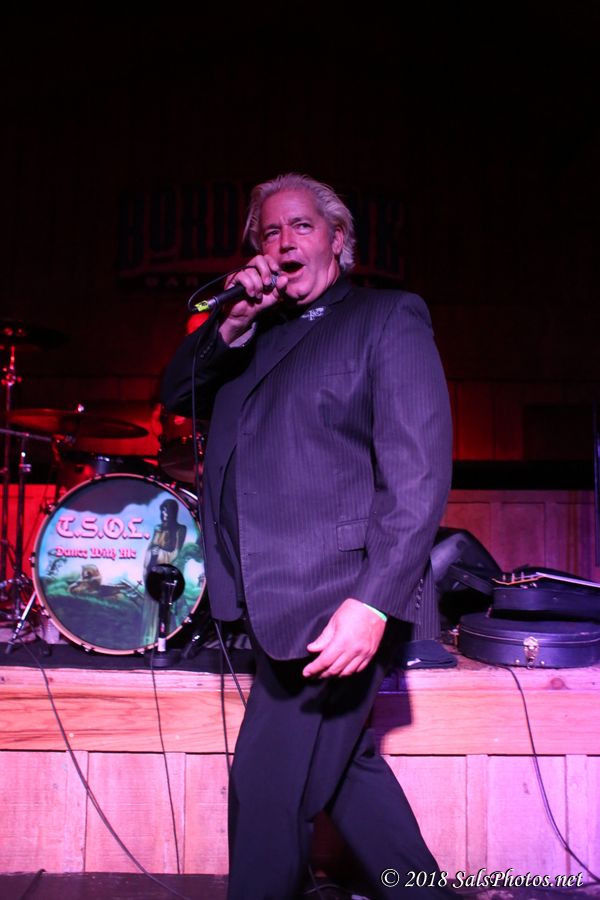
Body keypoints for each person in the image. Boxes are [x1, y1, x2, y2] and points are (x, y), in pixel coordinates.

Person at [161, 173, 453, 899]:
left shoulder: (386, 318)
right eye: (269, 231)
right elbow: (176, 394)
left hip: (337, 597)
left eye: (301, 225)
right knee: (348, 777)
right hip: (266, 595)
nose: (283, 240)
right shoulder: (252, 331)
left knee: (266, 793)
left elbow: (418, 476)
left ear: (338, 239)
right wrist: (230, 322)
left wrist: (374, 601)